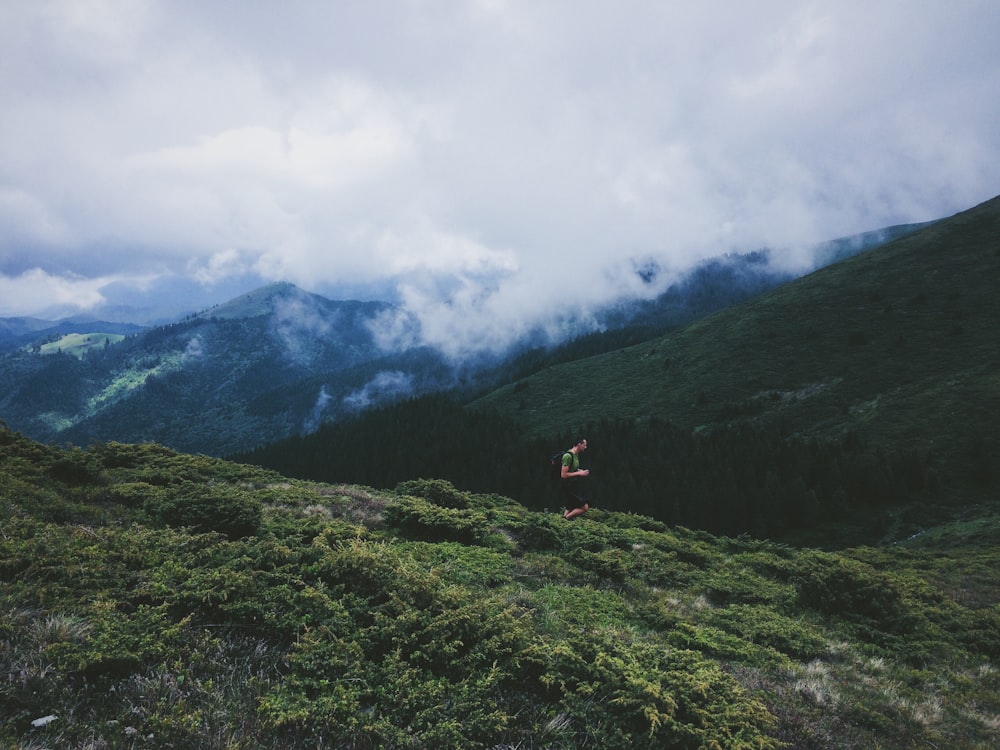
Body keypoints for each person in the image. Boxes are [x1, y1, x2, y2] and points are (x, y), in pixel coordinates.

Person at [560, 437, 591, 519]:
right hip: (567, 485)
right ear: (579, 444)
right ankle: (566, 519)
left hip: (573, 484)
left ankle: (562, 522)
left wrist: (581, 471)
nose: (585, 447)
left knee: (570, 506)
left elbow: (573, 469)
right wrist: (579, 473)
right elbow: (563, 475)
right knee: (585, 507)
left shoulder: (575, 455)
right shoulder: (568, 456)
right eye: (584, 445)